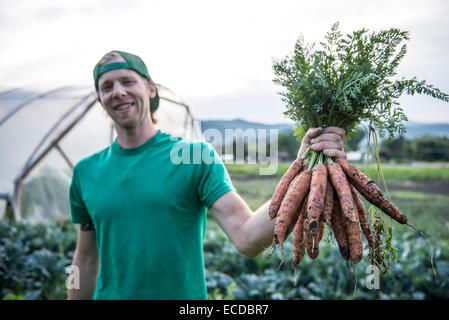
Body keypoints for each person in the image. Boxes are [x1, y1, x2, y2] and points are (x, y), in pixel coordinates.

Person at [67, 50, 346, 300]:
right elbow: (85, 259)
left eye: (128, 82)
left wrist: (305, 169)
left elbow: (247, 238)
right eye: (107, 86)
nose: (118, 92)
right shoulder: (86, 172)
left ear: (151, 90)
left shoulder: (194, 157)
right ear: (100, 99)